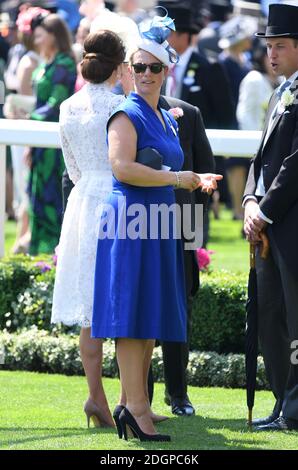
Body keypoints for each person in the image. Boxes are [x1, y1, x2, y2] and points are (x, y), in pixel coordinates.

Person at [91, 12, 222, 441]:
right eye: (139, 66)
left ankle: (134, 404)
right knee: (132, 316)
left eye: (154, 66)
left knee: (147, 314)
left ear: (167, 70)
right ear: (128, 70)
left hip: (157, 221)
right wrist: (177, 179)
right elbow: (122, 167)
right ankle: (138, 409)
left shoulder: (165, 115)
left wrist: (196, 179)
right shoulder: (126, 113)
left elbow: (173, 163)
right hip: (132, 222)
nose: (146, 74)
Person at [51, 30, 126, 428]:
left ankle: (95, 395)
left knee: (89, 308)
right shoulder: (121, 105)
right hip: (115, 200)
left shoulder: (67, 105)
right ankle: (126, 399)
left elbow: (72, 168)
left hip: (81, 201)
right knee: (119, 301)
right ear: (118, 65)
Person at [243, 3, 298, 432]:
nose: (272, 54)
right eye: (269, 46)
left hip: (290, 224)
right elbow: (260, 157)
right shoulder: (279, 93)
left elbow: (295, 164)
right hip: (265, 223)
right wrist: (247, 201)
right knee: (269, 317)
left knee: (295, 319)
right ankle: (282, 401)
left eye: (280, 46)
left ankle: (295, 410)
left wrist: (263, 209)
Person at [26, 12, 76, 255]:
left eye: (41, 35)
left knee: (50, 200)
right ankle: (37, 257)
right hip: (38, 142)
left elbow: (56, 104)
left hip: (54, 145)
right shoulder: (46, 63)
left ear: (54, 36)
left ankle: (52, 257)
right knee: (35, 199)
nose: (36, 39)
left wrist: (28, 119)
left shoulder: (65, 64)